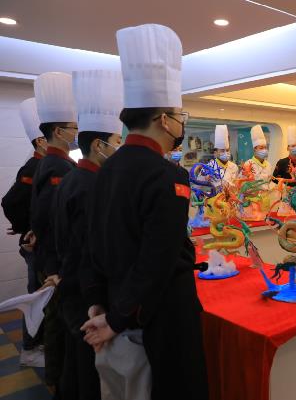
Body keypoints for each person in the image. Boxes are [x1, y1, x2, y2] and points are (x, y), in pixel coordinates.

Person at [80, 24, 207, 400]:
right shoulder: (168, 175)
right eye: (179, 115)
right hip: (161, 315)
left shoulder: (105, 171)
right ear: (164, 119)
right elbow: (157, 260)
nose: (182, 123)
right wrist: (118, 320)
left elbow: (93, 242)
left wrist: (98, 302)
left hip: (117, 300)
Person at [53, 70, 123, 400]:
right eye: (118, 142)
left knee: (75, 367)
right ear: (99, 145)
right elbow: (90, 250)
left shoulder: (72, 178)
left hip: (71, 286)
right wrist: (98, 300)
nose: (120, 148)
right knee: (89, 374)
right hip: (85, 294)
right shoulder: (92, 187)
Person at [30, 71, 78, 389]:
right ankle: (57, 381)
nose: (77, 132)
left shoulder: (50, 163)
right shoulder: (58, 167)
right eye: (73, 127)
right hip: (56, 260)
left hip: (51, 256)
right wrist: (56, 267)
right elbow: (52, 219)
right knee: (59, 322)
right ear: (59, 131)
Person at [1, 98, 47, 367]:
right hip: (34, 244)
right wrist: (24, 225)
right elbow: (10, 201)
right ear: (41, 141)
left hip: (38, 240)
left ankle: (39, 343)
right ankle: (30, 348)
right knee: (36, 296)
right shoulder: (34, 167)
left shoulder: (46, 164)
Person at [204, 124, 239, 191]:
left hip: (230, 196)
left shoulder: (234, 167)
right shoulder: (209, 166)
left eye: (227, 150)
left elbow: (237, 185)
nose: (226, 153)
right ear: (216, 152)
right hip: (214, 196)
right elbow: (200, 186)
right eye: (222, 150)